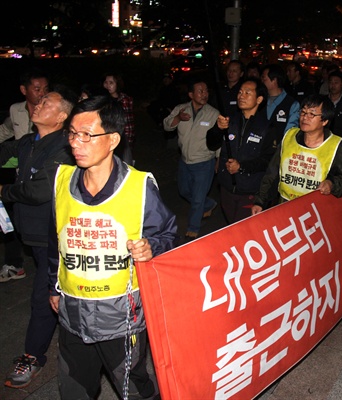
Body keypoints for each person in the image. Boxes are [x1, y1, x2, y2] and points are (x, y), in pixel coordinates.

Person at [48, 95, 177, 399]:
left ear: (113, 139)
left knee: (133, 388)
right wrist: (53, 286)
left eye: (87, 135)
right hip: (71, 313)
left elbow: (168, 234)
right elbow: (56, 241)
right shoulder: (62, 180)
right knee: (74, 388)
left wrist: (151, 246)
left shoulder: (139, 186)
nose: (76, 143)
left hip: (121, 318)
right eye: (72, 134)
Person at [3, 86, 78, 388]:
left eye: (47, 103)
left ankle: (33, 355)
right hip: (32, 234)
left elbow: (39, 190)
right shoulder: (27, 142)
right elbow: (8, 160)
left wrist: (4, 191)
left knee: (45, 295)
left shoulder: (64, 148)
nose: (38, 104)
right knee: (56, 292)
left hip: (54, 234)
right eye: (39, 100)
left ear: (61, 117)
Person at [251, 94, 342, 213]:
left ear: (324, 121)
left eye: (312, 114)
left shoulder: (335, 146)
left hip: (316, 211)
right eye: (303, 112)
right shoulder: (289, 137)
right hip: (285, 206)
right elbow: (272, 174)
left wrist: (332, 184)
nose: (305, 118)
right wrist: (260, 201)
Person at [0, 67, 49, 282]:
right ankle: (14, 263)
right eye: (37, 89)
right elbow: (6, 130)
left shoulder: (52, 110)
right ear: (23, 90)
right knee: (12, 218)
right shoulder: (16, 110)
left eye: (45, 89)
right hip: (21, 176)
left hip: (44, 176)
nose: (42, 93)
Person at [163, 78, 220, 240]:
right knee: (184, 191)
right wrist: (178, 119)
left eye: (206, 91)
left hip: (204, 161)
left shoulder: (213, 113)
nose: (204, 94)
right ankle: (209, 204)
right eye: (200, 91)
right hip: (184, 161)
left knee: (196, 199)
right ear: (191, 94)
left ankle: (193, 229)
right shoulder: (181, 109)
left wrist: (218, 159)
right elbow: (167, 125)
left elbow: (218, 138)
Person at [215, 77, 276, 224]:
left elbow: (268, 160)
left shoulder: (267, 127)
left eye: (248, 93)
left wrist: (241, 167)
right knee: (230, 225)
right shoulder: (229, 121)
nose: (241, 96)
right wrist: (217, 129)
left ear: (259, 99)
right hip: (226, 188)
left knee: (240, 229)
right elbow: (211, 143)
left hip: (250, 191)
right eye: (240, 92)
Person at [261, 63, 300, 143]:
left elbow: (290, 132)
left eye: (264, 78)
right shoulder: (260, 100)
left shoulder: (292, 104)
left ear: (274, 80)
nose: (262, 81)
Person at [103, 72, 134, 163]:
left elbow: (129, 122)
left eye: (111, 83)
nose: (108, 85)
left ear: (117, 84)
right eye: (106, 82)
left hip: (121, 137)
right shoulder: (102, 100)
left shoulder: (125, 100)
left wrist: (128, 140)